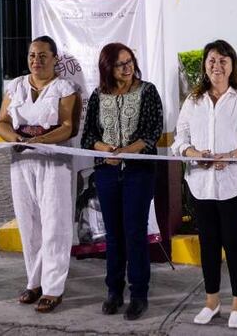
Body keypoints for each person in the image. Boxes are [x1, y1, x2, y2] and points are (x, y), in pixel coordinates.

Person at [173, 40, 237, 330]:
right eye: (212, 60)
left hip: (233, 182)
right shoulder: (193, 100)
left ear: (232, 65)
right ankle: (212, 300)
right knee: (208, 242)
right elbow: (180, 140)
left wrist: (233, 156)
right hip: (200, 183)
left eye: (223, 61)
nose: (217, 66)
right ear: (205, 64)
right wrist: (194, 154)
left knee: (234, 242)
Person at [0, 36, 79, 313]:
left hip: (54, 162)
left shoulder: (64, 88)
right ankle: (34, 282)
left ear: (55, 58)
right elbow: (2, 122)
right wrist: (17, 138)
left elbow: (68, 126)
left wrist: (43, 141)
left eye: (43, 55)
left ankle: (54, 287)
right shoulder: (16, 86)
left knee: (55, 224)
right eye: (32, 55)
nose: (36, 61)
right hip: (21, 161)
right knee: (29, 224)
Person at [81, 42, 164, 321]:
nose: (127, 68)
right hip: (107, 172)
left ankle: (139, 294)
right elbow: (87, 136)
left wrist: (126, 152)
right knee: (113, 235)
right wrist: (106, 151)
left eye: (130, 61)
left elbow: (153, 131)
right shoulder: (97, 95)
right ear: (108, 68)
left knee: (134, 233)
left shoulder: (147, 91)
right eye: (120, 64)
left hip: (138, 172)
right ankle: (113, 291)